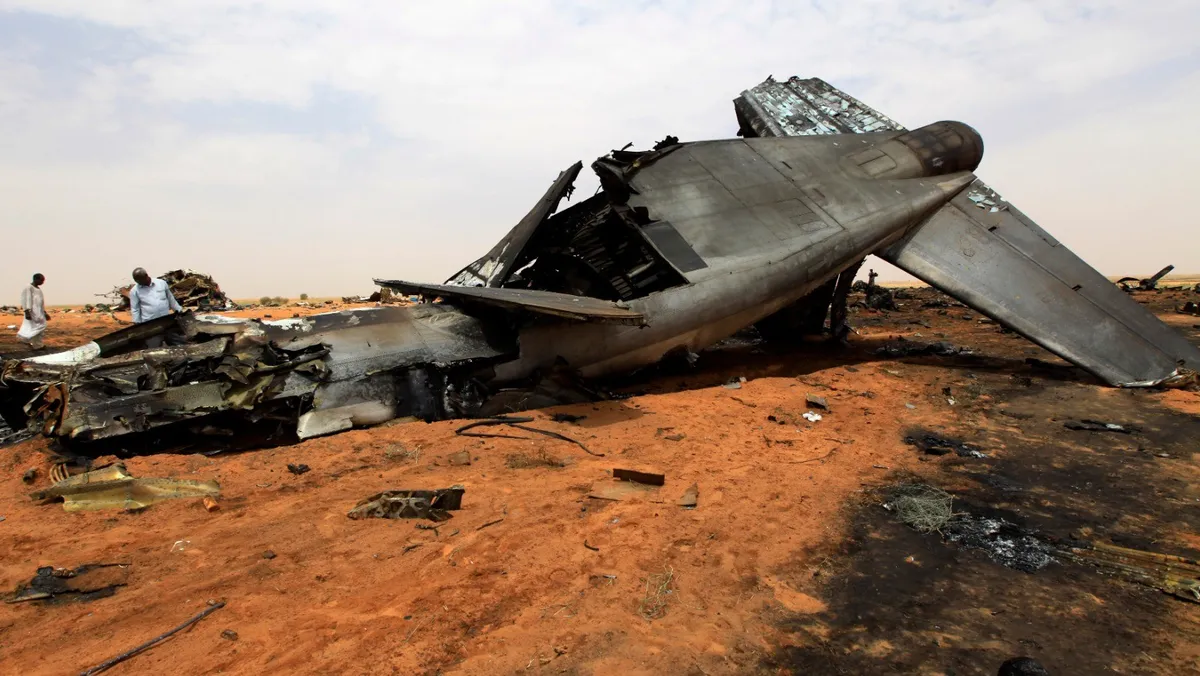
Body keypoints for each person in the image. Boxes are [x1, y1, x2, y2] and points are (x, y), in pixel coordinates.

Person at [129, 268, 183, 348]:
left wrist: (179, 310)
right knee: (154, 348)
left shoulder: (161, 283)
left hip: (166, 321)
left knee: (177, 343)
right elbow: (135, 309)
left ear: (146, 276)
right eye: (138, 282)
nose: (140, 283)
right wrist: (137, 324)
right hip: (151, 325)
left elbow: (170, 299)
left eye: (141, 281)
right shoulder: (134, 291)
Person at [17, 273, 49, 349]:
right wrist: (27, 311)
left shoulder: (38, 289)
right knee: (35, 327)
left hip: (39, 312)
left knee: (40, 327)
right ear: (36, 279)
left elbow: (41, 302)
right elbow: (25, 299)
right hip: (32, 312)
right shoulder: (28, 287)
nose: (42, 282)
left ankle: (35, 343)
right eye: (41, 280)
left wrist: (44, 312)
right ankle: (36, 345)